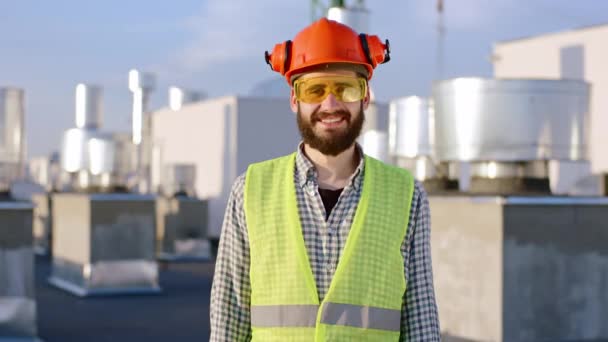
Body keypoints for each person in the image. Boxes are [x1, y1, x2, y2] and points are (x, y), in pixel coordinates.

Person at [210, 17, 440, 341]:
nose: (330, 104)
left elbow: (421, 324)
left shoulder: (406, 196)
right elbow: (228, 321)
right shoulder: (249, 191)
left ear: (365, 97)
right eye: (314, 89)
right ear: (295, 100)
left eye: (345, 87)